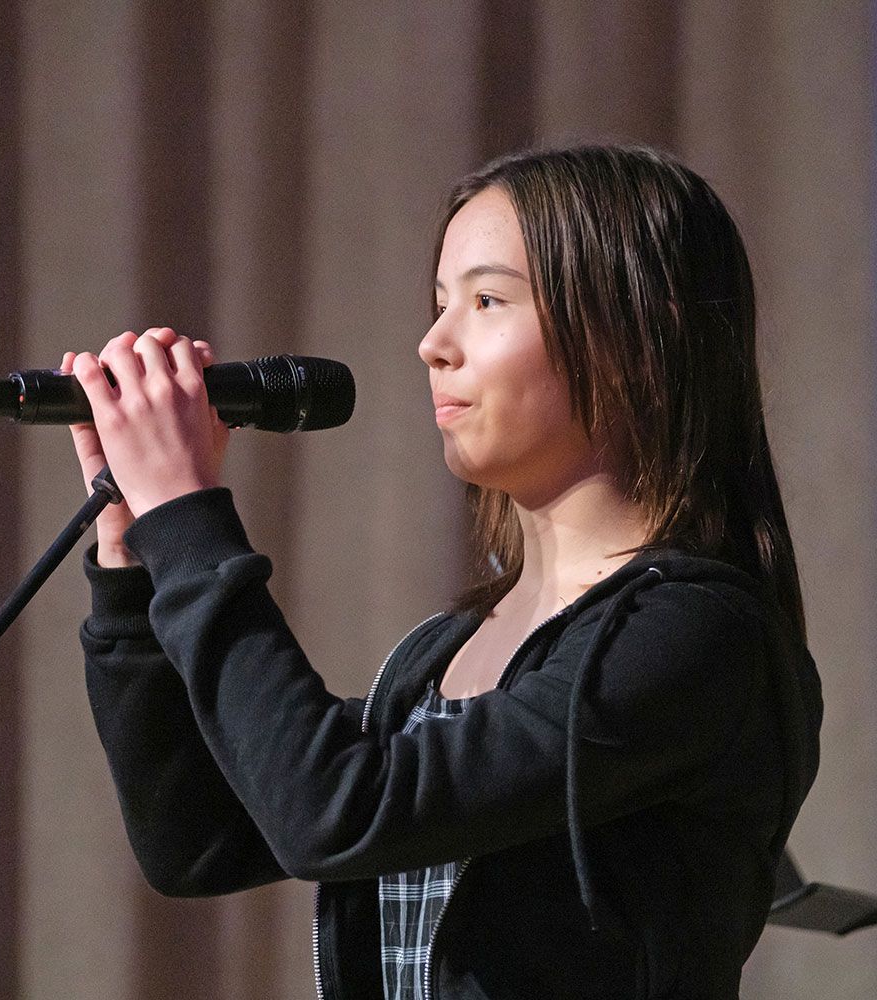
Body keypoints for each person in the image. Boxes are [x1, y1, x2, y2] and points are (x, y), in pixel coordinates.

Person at [65, 145, 823, 999]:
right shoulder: (446, 653)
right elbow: (193, 840)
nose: (432, 344)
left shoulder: (692, 633)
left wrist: (188, 517)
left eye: (488, 300)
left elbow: (338, 811)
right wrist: (132, 563)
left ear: (640, 340)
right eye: (438, 304)